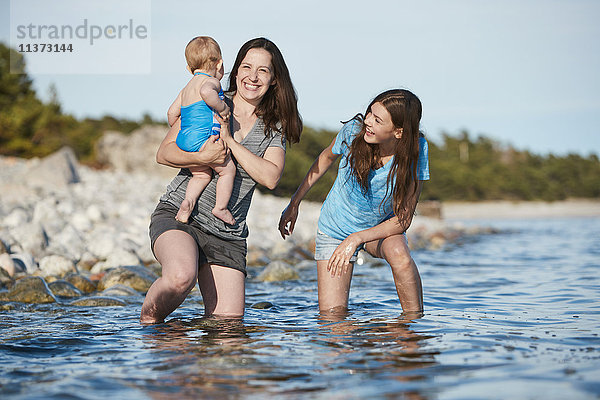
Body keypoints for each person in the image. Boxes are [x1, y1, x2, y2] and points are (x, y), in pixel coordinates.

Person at [140, 37, 302, 324]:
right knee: (180, 277)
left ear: (274, 80)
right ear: (234, 70)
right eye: (247, 67)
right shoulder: (209, 100)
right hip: (182, 216)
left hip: (228, 233)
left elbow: (271, 176)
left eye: (263, 71)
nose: (253, 77)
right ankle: (148, 323)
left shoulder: (273, 129)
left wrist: (229, 142)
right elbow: (164, 153)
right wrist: (205, 159)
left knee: (227, 329)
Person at [279, 89, 429, 314]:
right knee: (333, 321)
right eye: (370, 113)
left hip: (379, 229)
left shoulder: (416, 149)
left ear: (399, 132)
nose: (368, 121)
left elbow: (404, 219)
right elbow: (325, 158)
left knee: (401, 257)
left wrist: (357, 238)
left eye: (377, 120)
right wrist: (295, 202)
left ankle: (411, 331)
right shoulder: (352, 132)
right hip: (336, 229)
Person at [166, 36, 235, 225]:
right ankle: (220, 207)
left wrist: (181, 130)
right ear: (219, 64)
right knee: (228, 170)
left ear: (189, 69)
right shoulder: (211, 82)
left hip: (185, 138)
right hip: (202, 138)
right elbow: (207, 93)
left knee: (201, 174)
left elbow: (172, 114)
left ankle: (187, 203)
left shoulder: (186, 88)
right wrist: (222, 108)